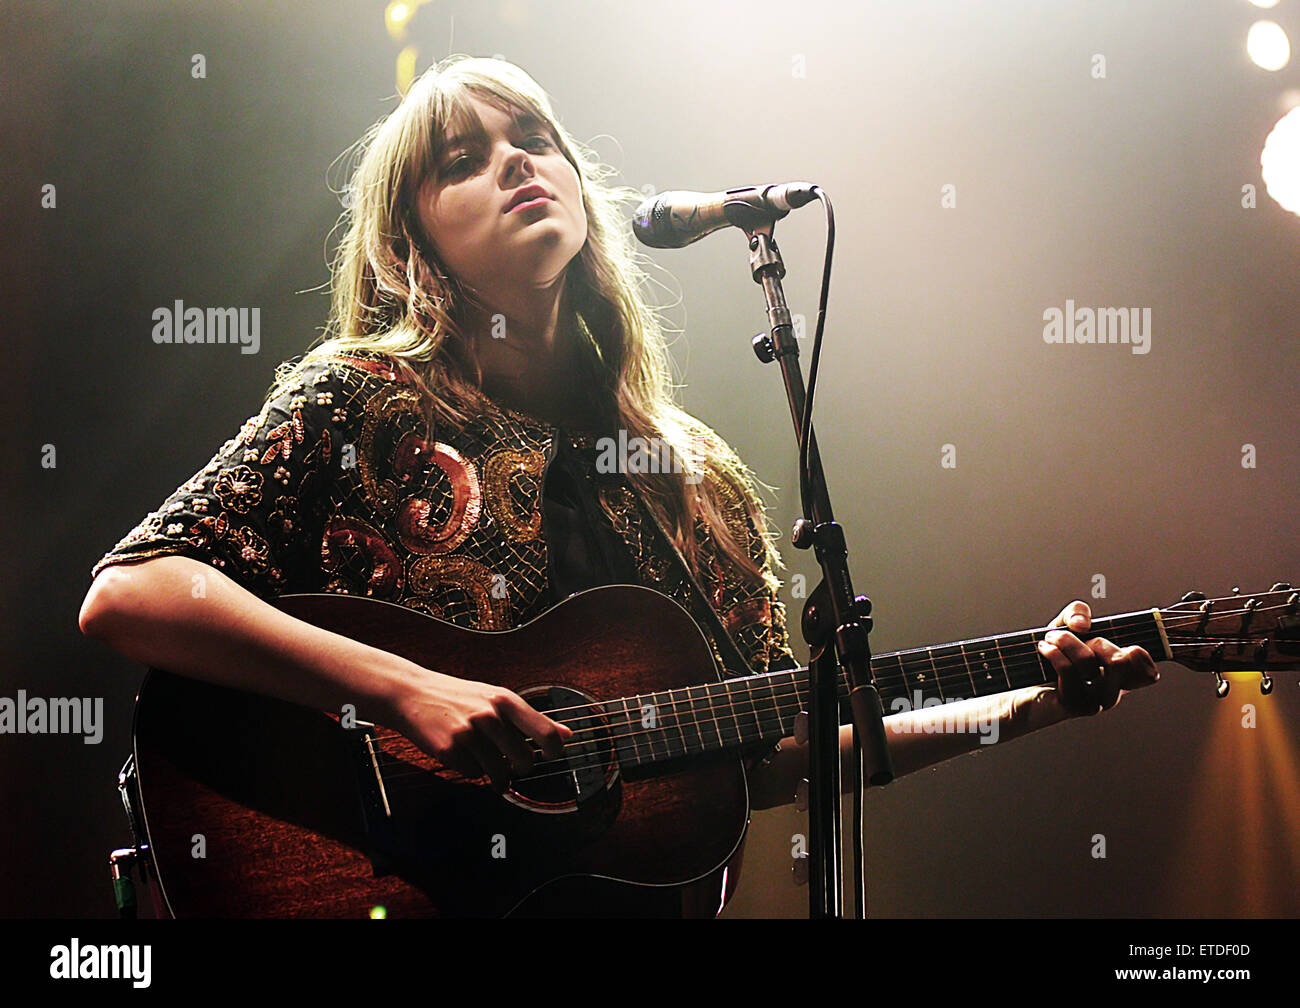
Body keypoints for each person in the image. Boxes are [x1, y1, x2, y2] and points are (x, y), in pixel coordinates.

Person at [78, 55, 1160, 916]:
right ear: (412, 243)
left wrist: (1024, 704)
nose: (516, 164)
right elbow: (130, 591)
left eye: (535, 139)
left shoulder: (696, 480)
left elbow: (778, 752)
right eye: (463, 158)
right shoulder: (361, 397)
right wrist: (404, 689)